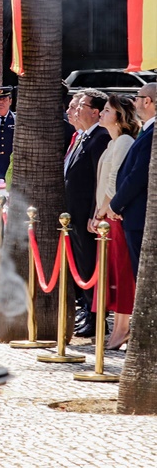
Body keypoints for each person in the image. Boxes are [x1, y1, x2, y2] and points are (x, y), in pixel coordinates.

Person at [91, 94, 139, 349]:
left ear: (120, 116)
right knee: (112, 274)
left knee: (121, 275)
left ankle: (122, 329)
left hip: (114, 218)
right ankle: (117, 329)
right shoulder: (112, 143)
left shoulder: (123, 142)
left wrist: (101, 213)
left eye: (107, 110)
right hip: (106, 217)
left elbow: (113, 183)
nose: (101, 113)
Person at [64, 88, 110, 337]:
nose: (76, 108)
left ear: (95, 111)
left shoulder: (100, 138)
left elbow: (98, 181)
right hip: (74, 213)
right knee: (81, 266)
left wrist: (95, 214)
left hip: (87, 216)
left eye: (81, 105)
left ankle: (96, 318)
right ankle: (87, 311)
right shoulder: (84, 136)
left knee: (90, 266)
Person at [108, 83, 156, 282]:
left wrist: (115, 204)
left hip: (140, 214)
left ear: (147, 101)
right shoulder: (147, 130)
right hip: (134, 214)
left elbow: (138, 175)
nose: (134, 102)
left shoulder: (153, 132)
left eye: (137, 98)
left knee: (144, 276)